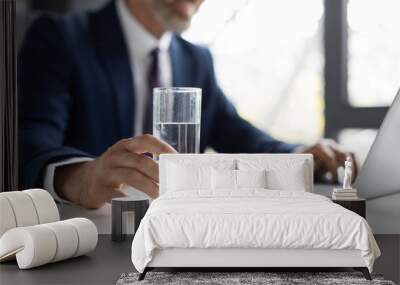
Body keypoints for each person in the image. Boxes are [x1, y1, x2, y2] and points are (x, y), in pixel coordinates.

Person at [18, 0, 356, 209]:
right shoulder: (61, 38)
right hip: (94, 237)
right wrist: (80, 178)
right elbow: (28, 140)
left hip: (178, 230)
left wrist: (300, 156)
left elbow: (237, 135)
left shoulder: (196, 59)